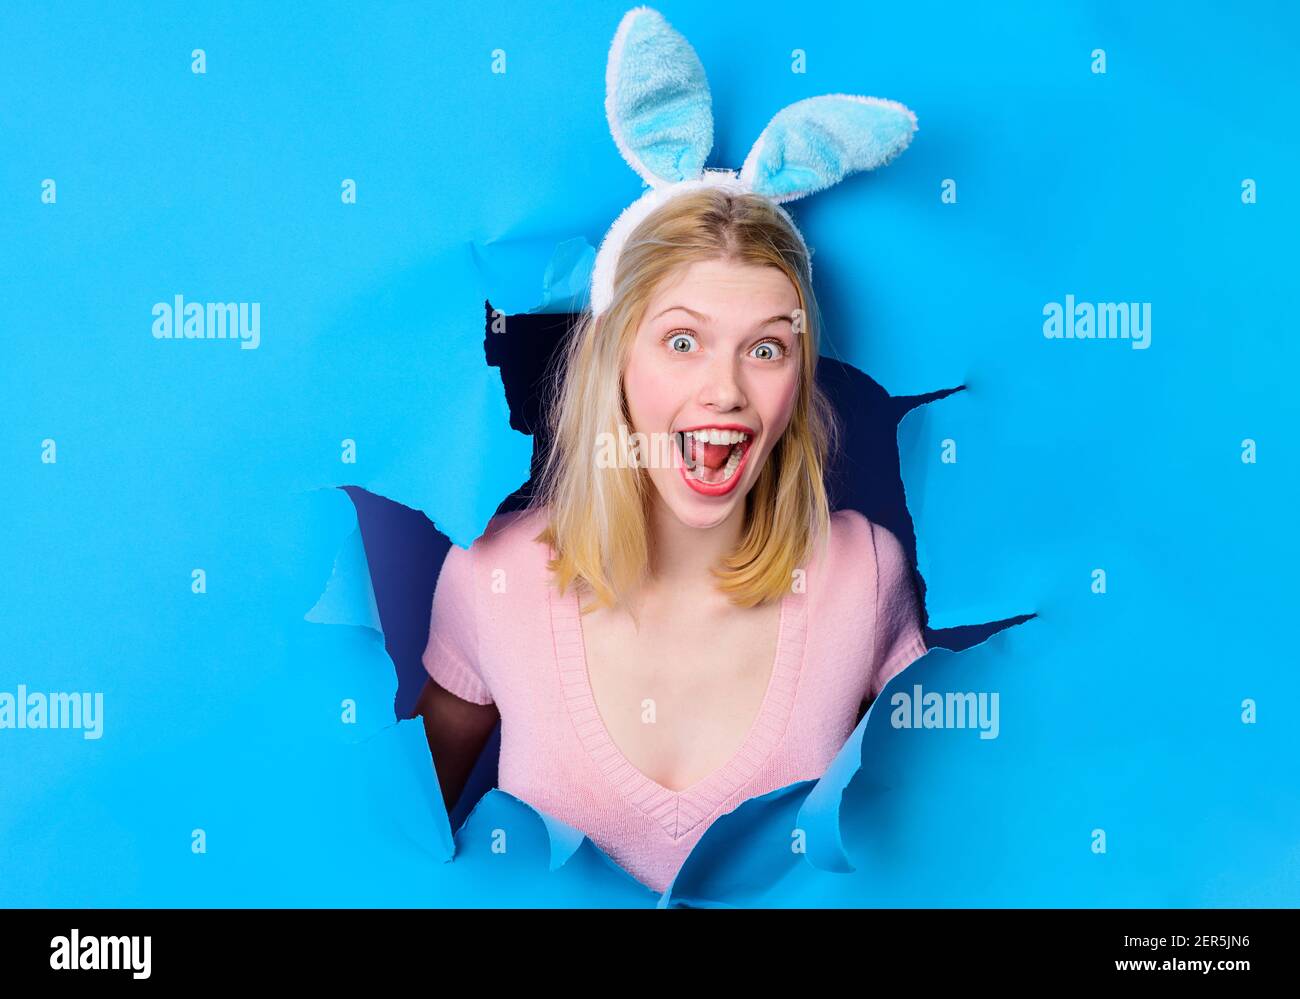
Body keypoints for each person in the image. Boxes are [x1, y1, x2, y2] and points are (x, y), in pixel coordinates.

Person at [414, 183, 928, 894]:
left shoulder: (861, 574)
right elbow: (398, 851)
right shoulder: (490, 577)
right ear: (616, 358)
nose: (725, 390)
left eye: (767, 348)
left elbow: (939, 845)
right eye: (682, 341)